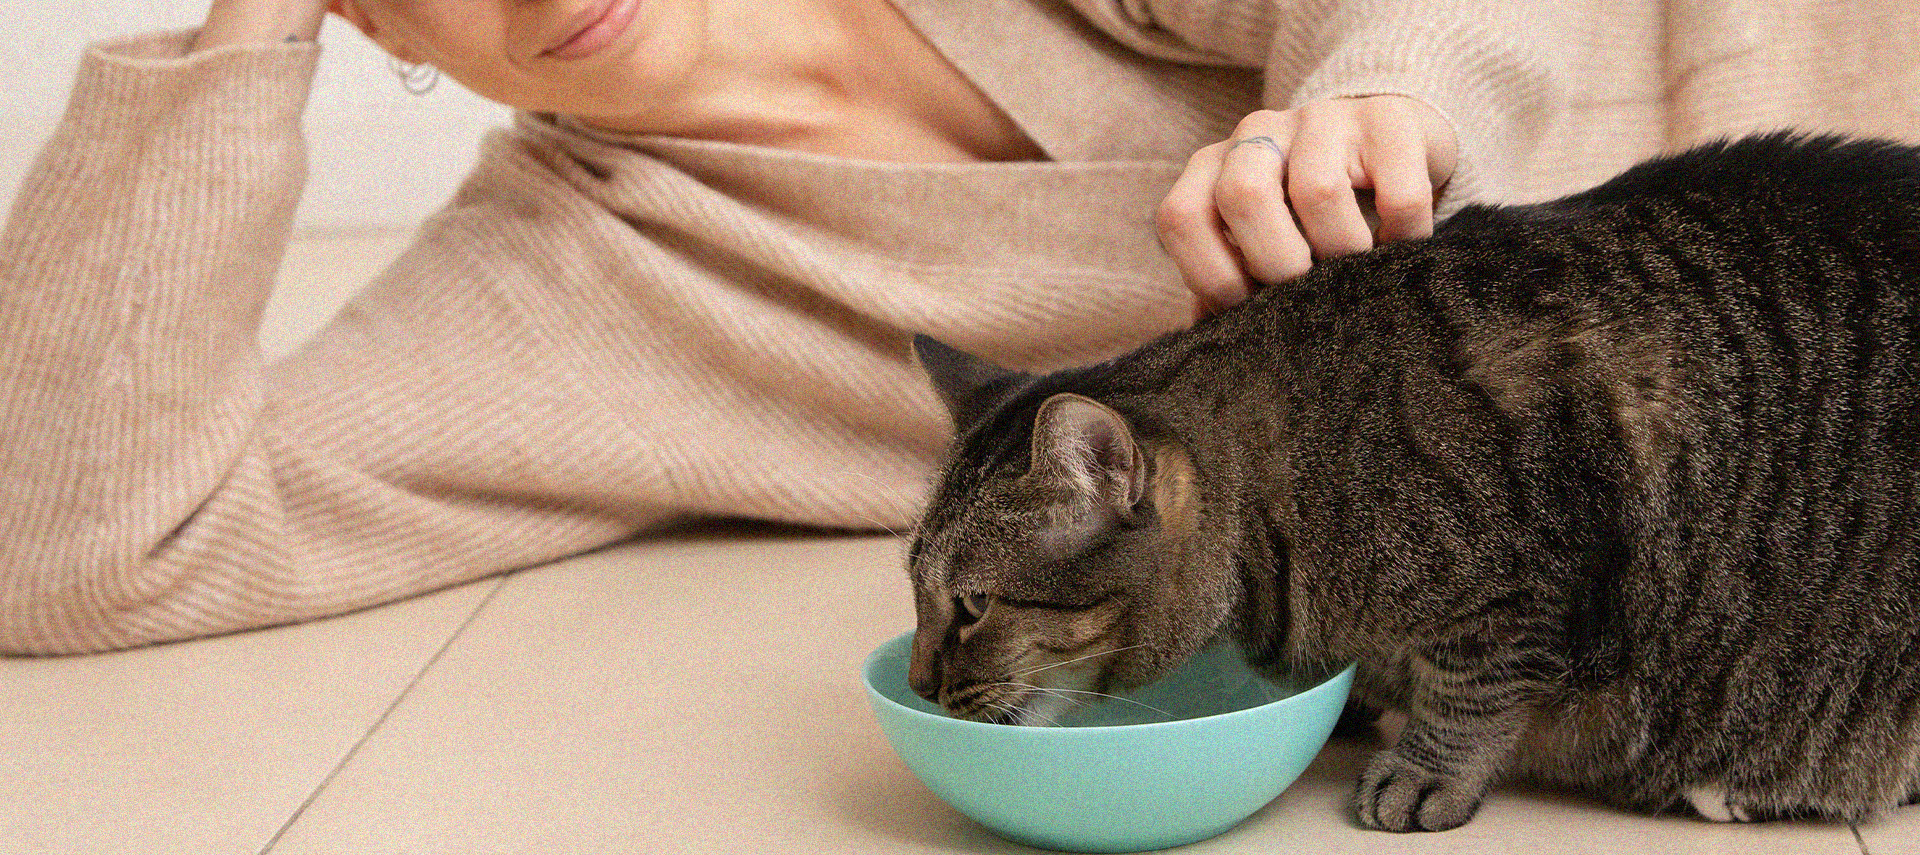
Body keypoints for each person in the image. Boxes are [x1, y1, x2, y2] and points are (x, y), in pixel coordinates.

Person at [0, 0, 1564, 654]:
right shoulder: (567, 287)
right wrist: (238, 40)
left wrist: (1387, 88)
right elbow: (69, 546)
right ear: (368, 19)